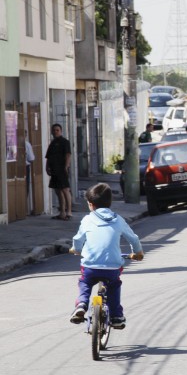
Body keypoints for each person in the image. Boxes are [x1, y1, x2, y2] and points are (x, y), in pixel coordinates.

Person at [68, 183, 144, 329]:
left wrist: (76, 250)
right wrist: (138, 253)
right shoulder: (118, 220)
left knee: (85, 282)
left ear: (90, 204)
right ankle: (116, 316)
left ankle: (82, 304)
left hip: (90, 266)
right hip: (112, 267)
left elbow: (78, 240)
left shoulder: (87, 219)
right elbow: (133, 239)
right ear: (110, 202)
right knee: (114, 285)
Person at [45, 123, 72, 220]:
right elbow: (48, 157)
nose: (55, 132)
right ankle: (62, 212)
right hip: (54, 169)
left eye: (57, 130)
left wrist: (66, 166)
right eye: (54, 130)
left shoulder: (65, 142)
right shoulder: (52, 143)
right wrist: (47, 167)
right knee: (57, 190)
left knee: (65, 189)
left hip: (61, 169)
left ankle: (69, 211)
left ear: (61, 131)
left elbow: (68, 155)